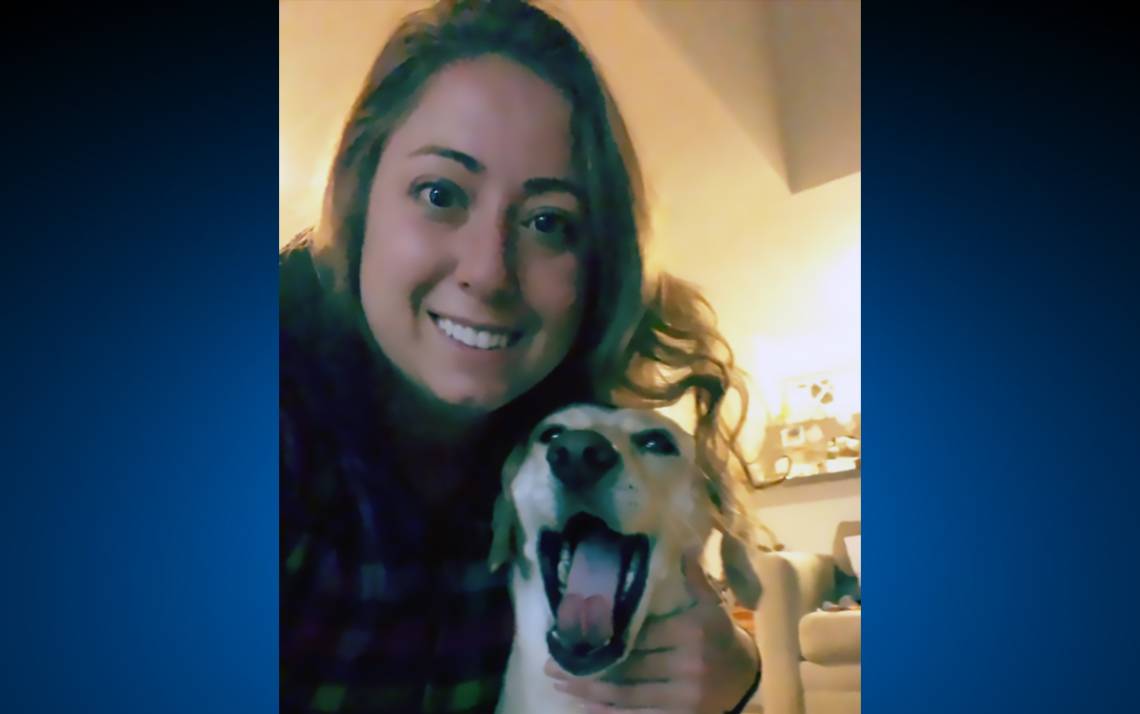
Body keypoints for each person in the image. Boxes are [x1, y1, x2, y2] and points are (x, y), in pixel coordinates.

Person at [281, 1, 764, 712]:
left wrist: (735, 674)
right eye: (440, 194)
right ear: (357, 199)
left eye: (547, 222)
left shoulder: (576, 444)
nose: (489, 272)